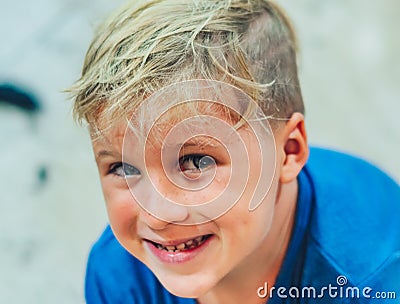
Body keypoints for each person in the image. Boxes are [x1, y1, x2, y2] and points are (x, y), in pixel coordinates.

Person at [69, 0, 400, 303]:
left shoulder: (369, 284)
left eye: (196, 162)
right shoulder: (121, 278)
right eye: (125, 168)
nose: (156, 215)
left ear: (288, 151)